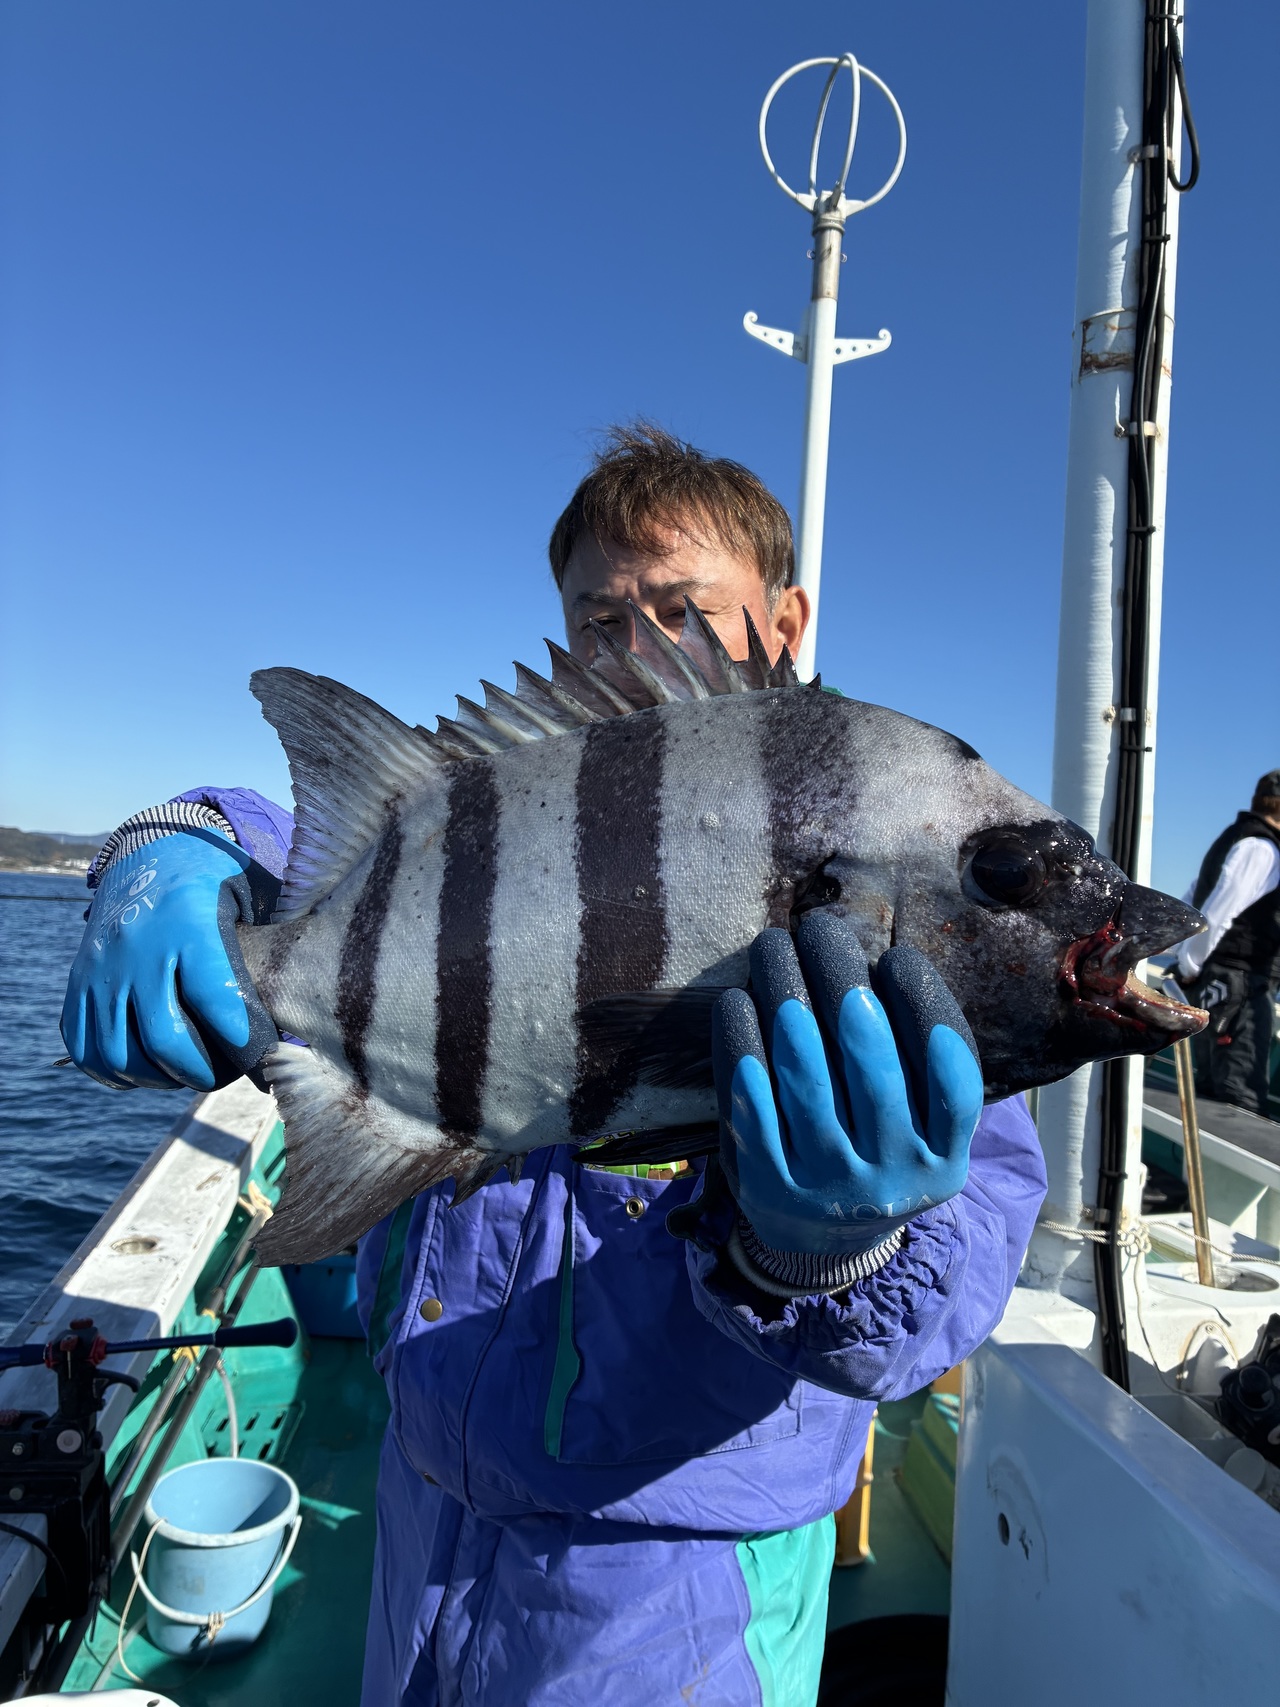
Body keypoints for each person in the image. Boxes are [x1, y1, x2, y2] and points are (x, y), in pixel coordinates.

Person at [61, 425, 1047, 1706]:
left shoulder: (892, 858)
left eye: (681, 609)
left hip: (678, 1580)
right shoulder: (538, 790)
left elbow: (953, 1281)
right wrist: (180, 835)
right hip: (426, 1507)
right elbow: (362, 835)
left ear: (786, 618)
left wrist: (827, 1253)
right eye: (597, 620)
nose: (635, 649)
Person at [1175, 771, 1280, 1116]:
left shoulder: (1232, 839)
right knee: (1239, 1096)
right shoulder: (1262, 849)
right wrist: (1191, 965)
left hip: (1215, 983)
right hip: (1238, 986)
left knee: (1211, 1087)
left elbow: (1192, 900)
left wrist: (1187, 961)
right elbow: (1218, 912)